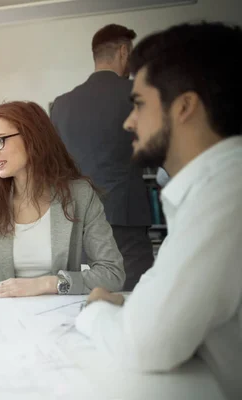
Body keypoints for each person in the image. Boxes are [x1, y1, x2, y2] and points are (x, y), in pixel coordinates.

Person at [75, 22, 242, 399]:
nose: (129, 121)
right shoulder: (209, 188)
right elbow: (161, 285)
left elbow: (144, 343)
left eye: (138, 104)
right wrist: (125, 301)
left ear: (184, 107)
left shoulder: (225, 193)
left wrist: (97, 310)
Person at [0, 101, 125, 304]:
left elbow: (112, 272)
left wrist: (46, 284)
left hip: (60, 315)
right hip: (2, 313)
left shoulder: (80, 195)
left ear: (32, 138)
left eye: (0, 140)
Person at [50, 24, 154, 291]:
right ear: (123, 52)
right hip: (125, 219)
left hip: (78, 221)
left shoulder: (61, 104)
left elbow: (54, 166)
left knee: (85, 295)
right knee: (133, 297)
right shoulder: (137, 94)